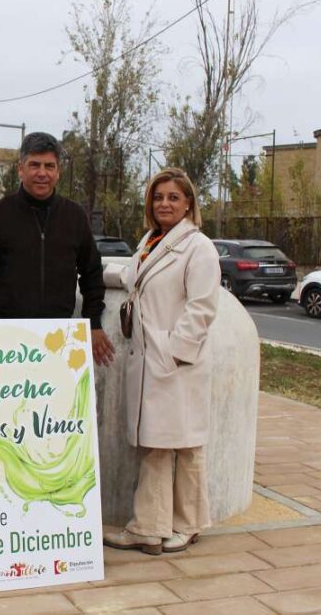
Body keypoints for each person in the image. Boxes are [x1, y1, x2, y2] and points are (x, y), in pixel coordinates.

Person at [103, 167, 219, 556]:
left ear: (188, 204)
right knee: (156, 443)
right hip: (151, 360)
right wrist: (97, 272)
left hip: (176, 364)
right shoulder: (152, 240)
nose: (164, 203)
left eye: (173, 197)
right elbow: (135, 275)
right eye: (158, 197)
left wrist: (174, 352)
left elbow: (202, 307)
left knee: (186, 443)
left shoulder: (198, 247)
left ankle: (188, 525)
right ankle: (149, 527)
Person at [0, 131, 114, 366]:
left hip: (60, 339)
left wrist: (93, 323)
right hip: (6, 340)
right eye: (34, 165)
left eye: (49, 166)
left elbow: (92, 275)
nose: (42, 173)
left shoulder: (74, 217)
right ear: (20, 168)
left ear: (58, 171)